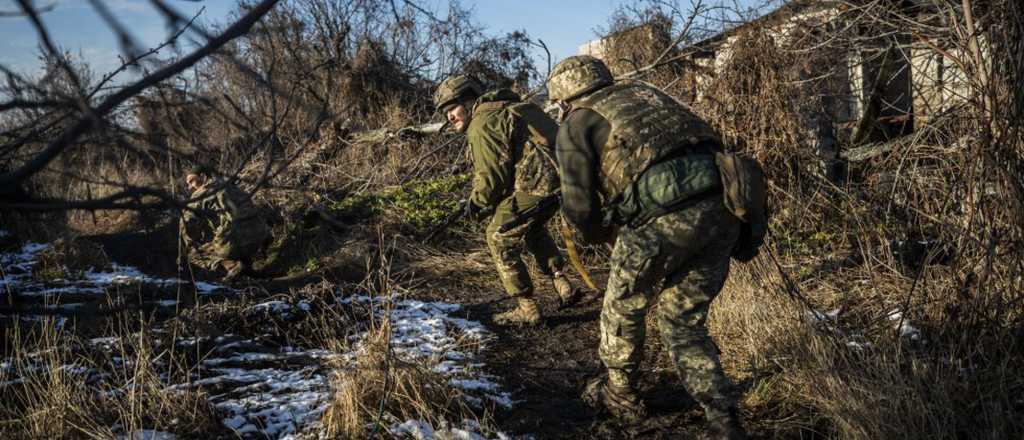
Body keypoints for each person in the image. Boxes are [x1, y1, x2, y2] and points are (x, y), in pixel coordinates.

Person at [548, 55, 747, 439]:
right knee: (682, 320)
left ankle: (620, 393)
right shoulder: (648, 94)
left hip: (663, 220)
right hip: (725, 208)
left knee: (623, 305)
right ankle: (723, 417)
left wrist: (598, 236)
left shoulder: (576, 122)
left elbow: (580, 207)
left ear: (563, 98)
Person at [434, 74, 579, 325]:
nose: (450, 116)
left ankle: (527, 307)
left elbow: (492, 179)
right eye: (445, 112)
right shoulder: (514, 106)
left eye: (453, 108)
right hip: (564, 183)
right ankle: (562, 283)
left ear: (469, 102)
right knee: (531, 227)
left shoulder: (482, 123)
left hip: (537, 187)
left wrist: (476, 206)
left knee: (497, 235)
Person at [179, 166, 269, 281]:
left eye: (192, 181)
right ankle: (250, 264)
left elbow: (185, 223)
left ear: (203, 176)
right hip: (261, 235)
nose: (190, 187)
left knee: (193, 256)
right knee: (229, 234)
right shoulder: (231, 185)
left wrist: (190, 244)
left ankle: (232, 267)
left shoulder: (201, 194)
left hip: (236, 241)